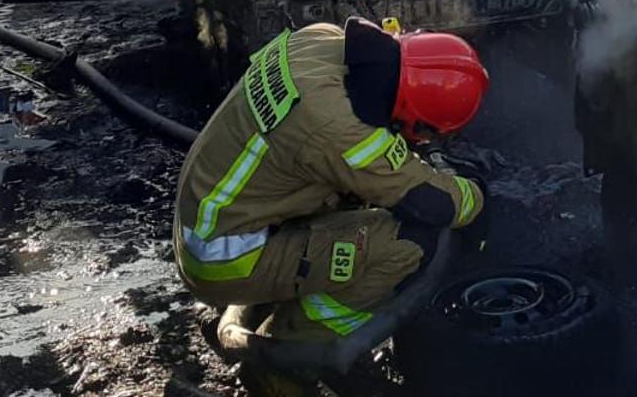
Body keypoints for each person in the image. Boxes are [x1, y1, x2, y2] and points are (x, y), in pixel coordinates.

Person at [174, 19, 488, 342]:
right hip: (225, 258)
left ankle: (280, 295)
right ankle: (287, 350)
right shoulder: (341, 130)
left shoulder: (320, 37)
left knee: (356, 197)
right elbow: (437, 203)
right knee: (409, 244)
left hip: (208, 216)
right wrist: (478, 191)